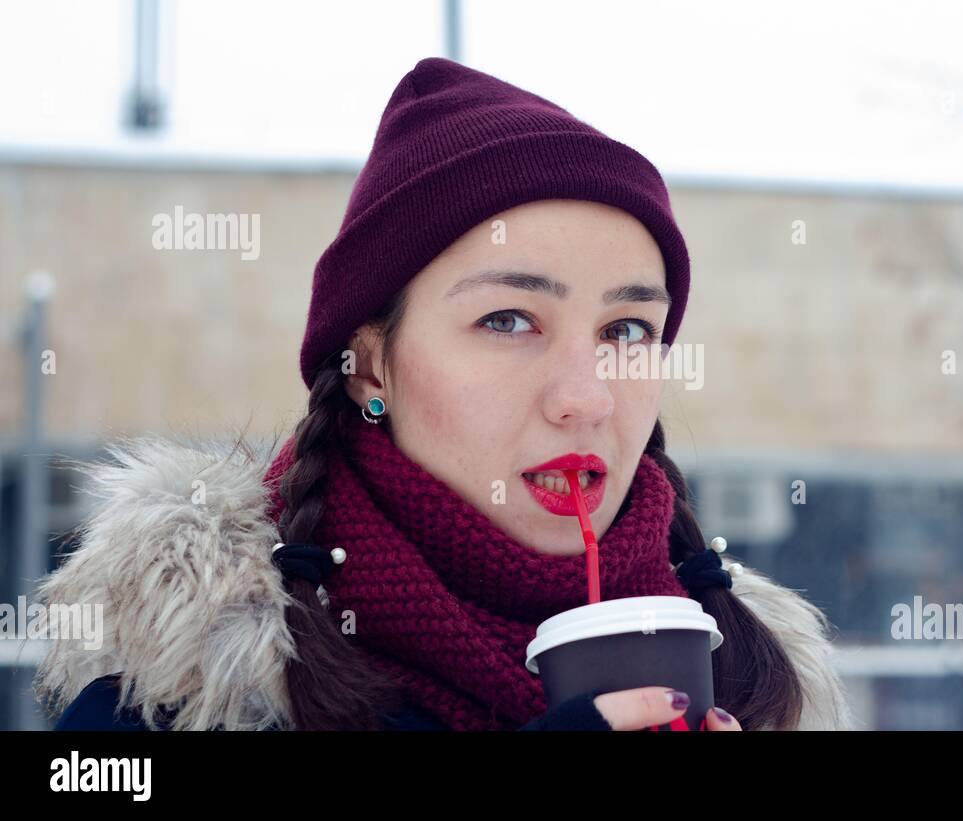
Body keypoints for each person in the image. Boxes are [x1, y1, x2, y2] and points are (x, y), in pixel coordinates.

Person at [32, 57, 855, 732]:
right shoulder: (166, 701)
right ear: (369, 365)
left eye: (627, 330)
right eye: (507, 318)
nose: (586, 397)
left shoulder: (758, 684)